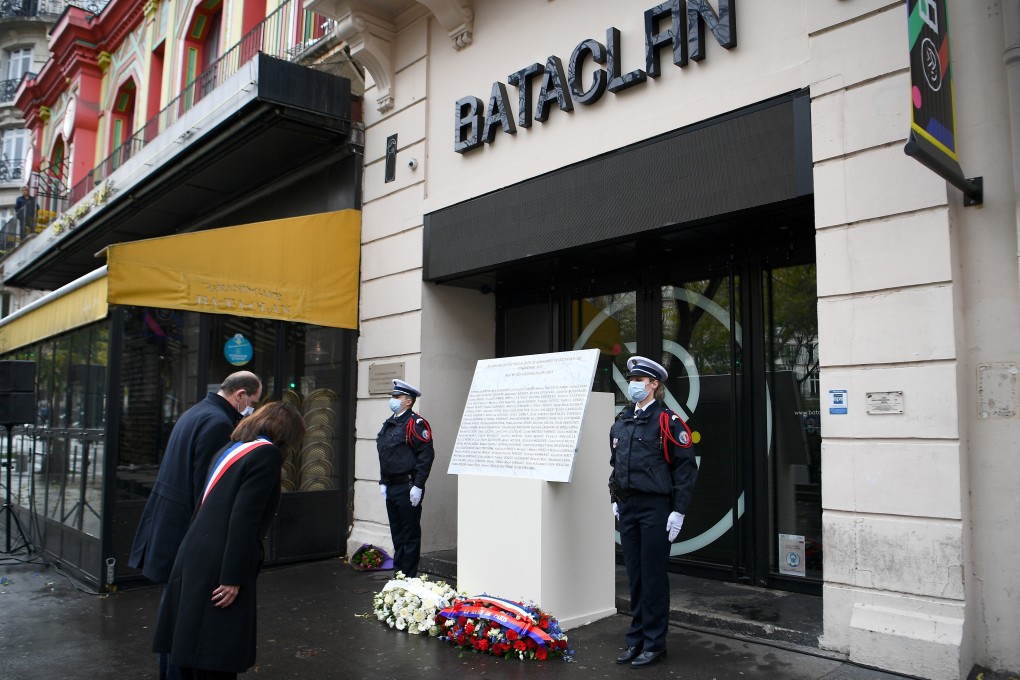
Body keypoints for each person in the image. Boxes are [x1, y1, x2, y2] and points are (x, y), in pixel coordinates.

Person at [153, 401, 306, 680]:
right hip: (221, 560)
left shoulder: (230, 448)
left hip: (195, 550)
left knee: (189, 643)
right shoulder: (266, 455)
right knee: (213, 652)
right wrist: (232, 577)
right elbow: (244, 519)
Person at [129, 371, 262, 680]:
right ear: (240, 395)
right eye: (253, 402)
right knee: (183, 620)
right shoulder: (219, 423)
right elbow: (208, 490)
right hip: (184, 532)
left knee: (173, 615)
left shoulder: (196, 411)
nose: (252, 410)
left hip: (167, 524)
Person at [609, 356, 698, 669]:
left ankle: (654, 644)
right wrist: (614, 497)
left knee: (653, 577)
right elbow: (616, 465)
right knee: (635, 576)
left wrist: (679, 511)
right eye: (631, 379)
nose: (633, 384)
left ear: (654, 384)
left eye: (639, 380)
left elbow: (685, 470)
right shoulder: (622, 420)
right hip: (629, 507)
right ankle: (636, 640)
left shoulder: (667, 422)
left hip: (656, 509)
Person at [377, 379, 435, 577]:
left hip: (407, 486)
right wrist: (383, 481)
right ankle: (399, 575)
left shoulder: (415, 424)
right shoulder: (390, 423)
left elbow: (425, 457)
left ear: (408, 401)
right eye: (393, 396)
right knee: (397, 534)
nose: (393, 400)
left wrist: (418, 485)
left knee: (409, 535)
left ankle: (408, 578)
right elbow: (386, 455)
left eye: (397, 396)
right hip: (392, 486)